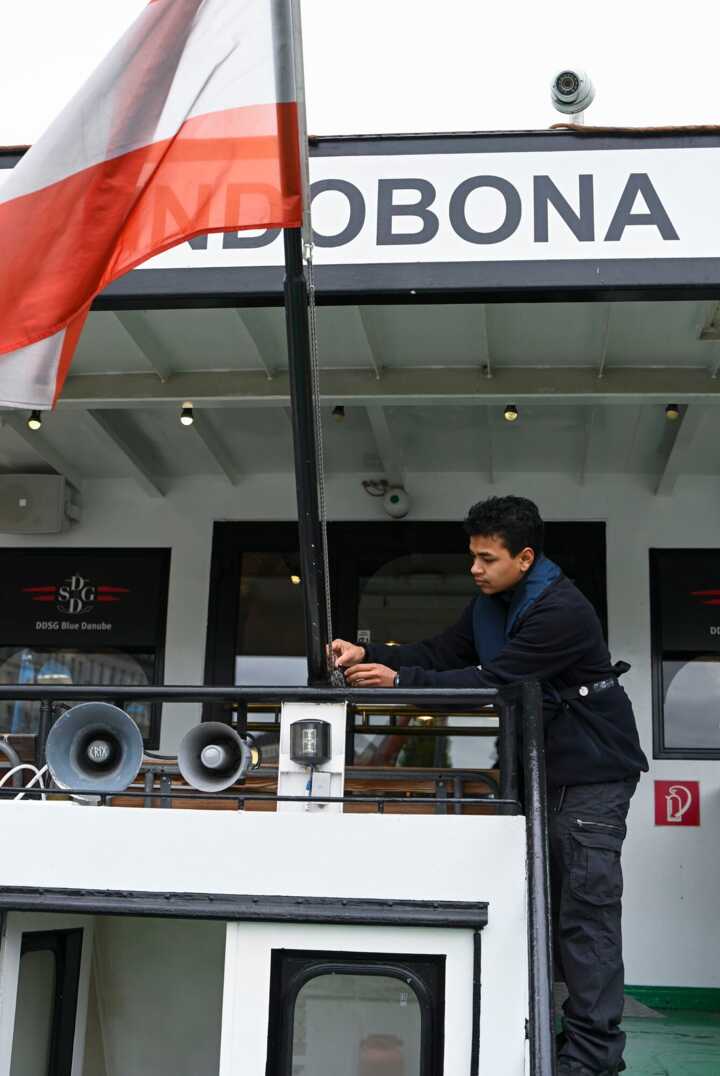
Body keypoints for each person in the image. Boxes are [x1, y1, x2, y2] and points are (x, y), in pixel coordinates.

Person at [332, 495, 648, 1076]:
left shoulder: (562, 611)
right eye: (472, 556)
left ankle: (593, 1060)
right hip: (541, 774)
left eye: (486, 558)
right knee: (542, 911)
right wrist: (368, 650)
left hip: (592, 779)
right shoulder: (490, 604)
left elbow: (495, 681)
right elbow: (440, 652)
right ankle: (547, 1036)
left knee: (586, 918)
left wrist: (399, 680)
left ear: (524, 558)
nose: (474, 568)